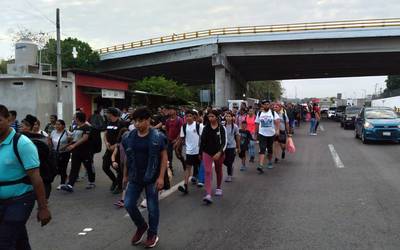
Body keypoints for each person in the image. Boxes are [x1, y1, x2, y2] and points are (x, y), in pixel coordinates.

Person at [0, 104, 51, 249]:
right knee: (19, 240)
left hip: (20, 199)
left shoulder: (22, 143)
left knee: (4, 242)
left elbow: (36, 177)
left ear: (8, 120)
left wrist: (43, 208)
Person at [122, 107, 168, 248]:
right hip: (135, 177)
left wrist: (161, 177)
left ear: (148, 120)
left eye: (140, 121)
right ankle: (141, 226)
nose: (137, 124)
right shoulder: (128, 137)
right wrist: (125, 176)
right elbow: (127, 158)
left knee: (153, 208)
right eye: (135, 121)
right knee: (128, 204)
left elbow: (164, 157)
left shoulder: (158, 137)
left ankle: (152, 233)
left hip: (152, 178)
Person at [61, 112, 96, 192]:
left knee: (88, 167)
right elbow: (74, 139)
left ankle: (91, 182)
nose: (73, 118)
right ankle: (70, 185)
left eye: (74, 117)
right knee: (74, 168)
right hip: (76, 152)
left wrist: (73, 146)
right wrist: (66, 146)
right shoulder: (76, 127)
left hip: (85, 152)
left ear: (78, 118)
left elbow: (85, 138)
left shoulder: (87, 127)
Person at [21, 115, 54, 198]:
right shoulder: (43, 139)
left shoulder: (23, 140)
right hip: (41, 175)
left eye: (22, 126)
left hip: (38, 174)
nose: (20, 128)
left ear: (29, 127)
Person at [199, 109, 227, 204]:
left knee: (218, 170)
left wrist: (219, 153)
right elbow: (202, 142)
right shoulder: (205, 128)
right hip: (207, 152)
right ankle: (208, 194)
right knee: (207, 171)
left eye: (212, 116)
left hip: (218, 153)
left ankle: (218, 187)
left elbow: (224, 142)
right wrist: (200, 153)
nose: (210, 118)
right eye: (209, 116)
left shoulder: (222, 128)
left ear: (217, 117)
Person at [177, 110, 203, 194]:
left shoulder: (198, 126)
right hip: (189, 151)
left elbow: (203, 139)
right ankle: (185, 185)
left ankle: (201, 181)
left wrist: (202, 151)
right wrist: (177, 148)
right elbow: (181, 139)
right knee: (188, 168)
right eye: (186, 116)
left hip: (198, 151)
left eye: (190, 116)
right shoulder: (184, 127)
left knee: (200, 167)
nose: (188, 118)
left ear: (193, 117)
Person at [103, 107, 127, 194]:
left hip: (118, 149)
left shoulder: (122, 123)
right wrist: (106, 143)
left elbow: (124, 137)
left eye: (107, 113)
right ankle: (115, 181)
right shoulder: (108, 122)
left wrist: (115, 145)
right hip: (109, 149)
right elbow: (105, 134)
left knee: (119, 169)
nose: (106, 114)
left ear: (111, 114)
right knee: (105, 167)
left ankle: (120, 186)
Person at [255, 100, 280, 173]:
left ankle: (269, 161)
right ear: (262, 105)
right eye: (265, 104)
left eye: (267, 104)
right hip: (262, 134)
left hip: (271, 134)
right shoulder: (259, 113)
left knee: (270, 149)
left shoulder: (273, 113)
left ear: (269, 105)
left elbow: (277, 121)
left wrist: (277, 130)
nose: (266, 106)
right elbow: (257, 123)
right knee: (262, 149)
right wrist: (255, 133)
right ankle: (261, 165)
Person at [49, 119, 71, 190]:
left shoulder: (67, 133)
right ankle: (65, 177)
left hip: (64, 153)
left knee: (63, 168)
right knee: (56, 168)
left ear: (63, 126)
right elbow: (50, 140)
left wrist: (66, 146)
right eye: (56, 124)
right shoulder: (53, 132)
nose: (57, 126)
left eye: (59, 124)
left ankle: (62, 183)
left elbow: (73, 140)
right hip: (55, 153)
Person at [111, 127, 129, 208]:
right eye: (124, 135)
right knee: (126, 182)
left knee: (126, 182)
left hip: (130, 165)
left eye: (128, 135)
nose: (126, 136)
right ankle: (124, 200)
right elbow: (113, 155)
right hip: (122, 166)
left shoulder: (132, 144)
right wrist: (113, 161)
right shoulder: (119, 145)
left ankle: (123, 200)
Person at [165, 108, 183, 175]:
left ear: (175, 111)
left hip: (177, 140)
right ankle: (170, 168)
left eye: (171, 110)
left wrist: (177, 139)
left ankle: (184, 163)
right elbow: (167, 129)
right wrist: (168, 137)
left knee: (178, 155)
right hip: (169, 140)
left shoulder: (179, 120)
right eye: (169, 110)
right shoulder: (167, 120)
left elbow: (181, 130)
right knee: (169, 155)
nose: (170, 111)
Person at [223, 111, 240, 183]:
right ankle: (230, 167)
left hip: (232, 146)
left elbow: (237, 137)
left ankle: (229, 175)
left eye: (229, 116)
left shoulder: (235, 126)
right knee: (224, 161)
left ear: (232, 117)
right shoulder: (222, 125)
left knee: (230, 161)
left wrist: (238, 147)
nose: (228, 118)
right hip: (223, 147)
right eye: (226, 116)